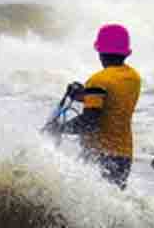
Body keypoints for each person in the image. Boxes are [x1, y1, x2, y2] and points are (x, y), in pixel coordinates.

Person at [61, 24, 142, 189]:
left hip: (99, 154)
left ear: (100, 52)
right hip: (124, 155)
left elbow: (90, 122)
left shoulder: (98, 80)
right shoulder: (133, 77)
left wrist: (60, 128)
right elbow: (113, 101)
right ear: (125, 52)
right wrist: (82, 95)